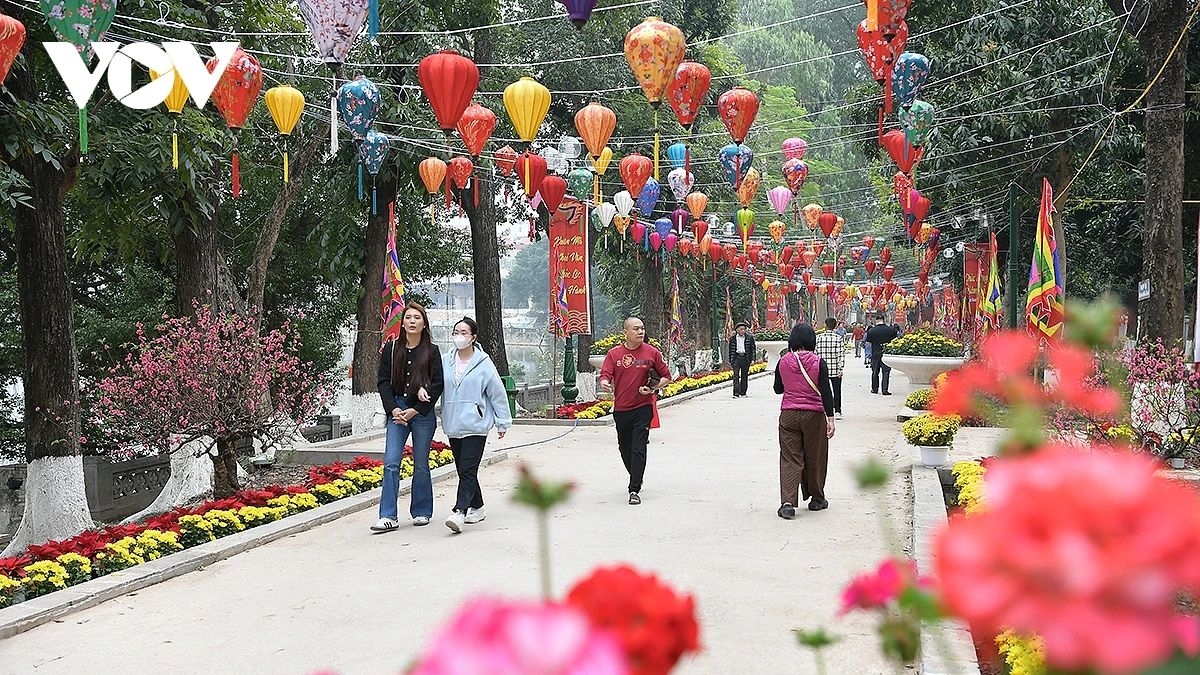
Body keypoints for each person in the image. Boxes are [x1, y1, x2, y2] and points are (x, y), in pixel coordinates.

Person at [372, 302, 444, 532]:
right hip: (397, 411)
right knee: (391, 462)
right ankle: (388, 515)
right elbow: (383, 382)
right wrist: (393, 409)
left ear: (424, 323)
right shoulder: (392, 349)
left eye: (417, 318)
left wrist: (415, 410)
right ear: (402, 322)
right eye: (408, 318)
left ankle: (421, 510)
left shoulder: (431, 351)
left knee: (420, 463)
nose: (412, 321)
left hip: (421, 412)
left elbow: (438, 384)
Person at [440, 317, 512, 534]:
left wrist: (502, 421)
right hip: (453, 423)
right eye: (456, 332)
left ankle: (459, 511)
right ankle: (477, 506)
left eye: (464, 332)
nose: (459, 336)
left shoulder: (483, 363)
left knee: (468, 469)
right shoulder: (445, 361)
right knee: (464, 470)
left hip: (476, 424)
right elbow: (434, 385)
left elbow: (497, 393)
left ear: (473, 337)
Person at [599, 317, 671, 505]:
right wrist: (605, 383)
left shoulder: (651, 352)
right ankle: (636, 473)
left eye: (642, 328)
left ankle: (634, 488)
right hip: (622, 409)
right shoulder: (614, 354)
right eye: (636, 329)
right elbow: (605, 374)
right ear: (626, 332)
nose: (640, 332)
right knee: (625, 447)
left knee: (639, 447)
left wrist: (653, 389)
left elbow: (666, 376)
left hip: (643, 407)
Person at [773, 323, 835, 518]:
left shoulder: (783, 361)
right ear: (811, 340)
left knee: (790, 457)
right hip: (814, 415)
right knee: (815, 456)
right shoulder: (819, 362)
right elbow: (826, 392)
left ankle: (787, 503)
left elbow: (778, 389)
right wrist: (830, 419)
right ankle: (817, 499)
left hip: (789, 414)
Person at [816, 317, 846, 419]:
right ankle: (837, 410)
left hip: (821, 369)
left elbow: (815, 354)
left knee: (823, 391)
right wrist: (840, 368)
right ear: (835, 326)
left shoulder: (818, 338)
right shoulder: (838, 339)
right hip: (834, 369)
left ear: (825, 325)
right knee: (837, 390)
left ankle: (823, 409)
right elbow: (840, 355)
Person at [865, 314, 900, 396]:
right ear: (883, 320)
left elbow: (868, 343)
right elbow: (895, 340)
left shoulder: (871, 331)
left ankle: (875, 388)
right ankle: (885, 389)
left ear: (876, 321)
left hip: (875, 353)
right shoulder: (891, 330)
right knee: (886, 372)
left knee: (875, 372)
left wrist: (868, 355)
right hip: (886, 353)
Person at [728, 321, 756, 398]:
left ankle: (743, 392)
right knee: (736, 376)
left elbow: (753, 349)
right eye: (741, 329)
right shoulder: (733, 338)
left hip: (745, 358)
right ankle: (736, 393)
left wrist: (753, 359)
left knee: (744, 376)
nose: (743, 331)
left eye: (744, 329)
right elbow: (731, 350)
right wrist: (731, 360)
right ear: (737, 330)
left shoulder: (749, 337)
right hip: (736, 357)